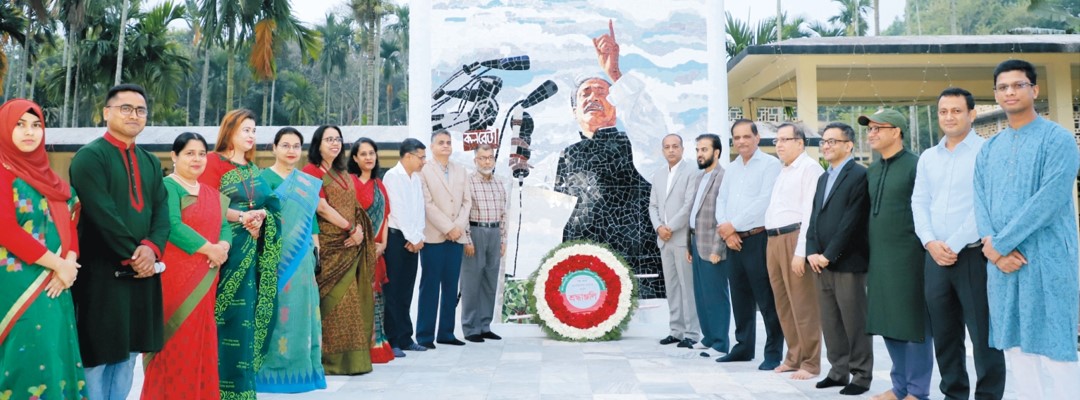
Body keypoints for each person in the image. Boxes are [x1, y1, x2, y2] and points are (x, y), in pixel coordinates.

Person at [975, 59, 1080, 399]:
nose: (1010, 91)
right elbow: (980, 200)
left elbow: (1048, 200)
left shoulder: (1058, 140)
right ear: (995, 94)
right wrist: (992, 247)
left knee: (1055, 345)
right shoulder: (988, 148)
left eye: (1018, 85)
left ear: (1034, 90)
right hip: (1002, 265)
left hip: (1047, 259)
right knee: (1014, 346)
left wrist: (999, 244)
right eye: (1003, 87)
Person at [70, 84, 169, 400]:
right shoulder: (89, 158)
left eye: (140, 110)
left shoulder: (150, 162)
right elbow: (103, 214)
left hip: (142, 275)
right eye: (125, 108)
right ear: (106, 112)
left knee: (127, 356)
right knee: (97, 355)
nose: (134, 115)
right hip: (100, 275)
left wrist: (151, 249)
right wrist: (136, 255)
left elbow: (162, 213)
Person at [553, 21, 663, 298]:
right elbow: (557, 211)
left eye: (602, 92)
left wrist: (614, 73)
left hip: (638, 265)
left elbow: (649, 125)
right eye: (584, 94)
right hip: (581, 270)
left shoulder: (637, 144)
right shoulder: (568, 154)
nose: (592, 98)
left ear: (617, 103)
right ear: (574, 110)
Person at [913, 88, 1005, 399]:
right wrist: (929, 242)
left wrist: (950, 244)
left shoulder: (987, 151)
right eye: (943, 111)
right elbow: (919, 202)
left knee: (983, 336)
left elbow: (986, 205)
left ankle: (989, 395)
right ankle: (954, 393)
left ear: (972, 114)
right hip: (935, 257)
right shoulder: (928, 157)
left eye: (956, 110)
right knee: (945, 334)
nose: (949, 117)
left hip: (972, 256)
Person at [0, 98, 87, 399]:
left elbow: (70, 223)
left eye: (36, 125)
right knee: (24, 360)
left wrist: (70, 264)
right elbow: (5, 229)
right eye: (20, 125)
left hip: (58, 285)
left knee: (54, 357)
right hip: (15, 286)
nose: (30, 132)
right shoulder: (2, 172)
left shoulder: (51, 180)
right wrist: (58, 264)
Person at [199, 108, 282, 398]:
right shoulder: (212, 163)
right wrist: (243, 218)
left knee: (247, 322)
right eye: (246, 129)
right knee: (223, 322)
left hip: (253, 260)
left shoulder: (253, 170)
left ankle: (243, 389)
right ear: (230, 130)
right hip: (224, 257)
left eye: (254, 130)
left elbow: (273, 207)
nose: (251, 135)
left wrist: (263, 220)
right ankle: (216, 388)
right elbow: (204, 205)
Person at [141, 132, 231, 399]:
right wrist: (211, 249)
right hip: (175, 280)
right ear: (174, 156)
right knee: (176, 342)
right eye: (190, 153)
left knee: (201, 342)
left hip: (206, 278)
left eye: (202, 154)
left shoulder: (212, 194)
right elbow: (172, 226)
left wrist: (223, 247)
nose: (197, 159)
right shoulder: (167, 187)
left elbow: (225, 226)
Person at [860, 109, 932, 400]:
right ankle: (899, 386)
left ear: (897, 131)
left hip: (910, 257)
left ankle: (917, 390)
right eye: (870, 129)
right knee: (887, 321)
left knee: (912, 324)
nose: (872, 134)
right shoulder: (873, 170)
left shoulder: (917, 165)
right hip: (879, 258)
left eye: (879, 128)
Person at [256, 127, 328, 391]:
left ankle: (302, 370)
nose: (291, 151)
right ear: (274, 148)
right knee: (274, 312)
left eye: (296, 146)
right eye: (285, 145)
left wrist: (315, 249)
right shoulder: (261, 180)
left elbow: (311, 219)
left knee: (302, 310)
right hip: (271, 257)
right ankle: (270, 372)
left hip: (301, 256)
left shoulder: (306, 181)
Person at [302, 125, 376, 375]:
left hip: (350, 245)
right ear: (317, 144)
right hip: (328, 246)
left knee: (351, 302)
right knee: (334, 303)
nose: (334, 143)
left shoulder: (342, 171)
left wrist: (359, 232)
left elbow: (353, 205)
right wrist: (349, 228)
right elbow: (320, 207)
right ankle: (329, 361)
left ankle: (353, 361)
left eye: (338, 139)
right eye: (328, 139)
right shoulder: (311, 171)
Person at [806, 122, 872, 396]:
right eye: (825, 141)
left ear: (849, 145)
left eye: (834, 141)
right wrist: (811, 251)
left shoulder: (859, 175)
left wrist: (829, 255)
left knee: (854, 321)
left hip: (847, 262)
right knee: (831, 321)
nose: (827, 145)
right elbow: (814, 217)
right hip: (820, 263)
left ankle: (861, 375)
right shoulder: (823, 177)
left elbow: (851, 222)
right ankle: (837, 371)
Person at [713, 119, 783, 369]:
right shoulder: (731, 168)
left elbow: (765, 200)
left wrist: (735, 224)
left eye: (746, 136)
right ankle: (743, 347)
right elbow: (721, 201)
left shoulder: (770, 165)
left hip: (757, 238)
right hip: (732, 241)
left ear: (756, 138)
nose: (741, 141)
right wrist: (727, 230)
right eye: (737, 137)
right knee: (739, 296)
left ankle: (773, 352)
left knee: (766, 298)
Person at [764, 123, 824, 380]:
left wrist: (801, 251)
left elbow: (810, 214)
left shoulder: (810, 169)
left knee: (804, 304)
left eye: (785, 139)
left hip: (794, 238)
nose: (779, 145)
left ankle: (811, 363)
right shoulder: (783, 170)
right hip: (774, 240)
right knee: (784, 303)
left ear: (800, 143)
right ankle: (794, 356)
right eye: (777, 140)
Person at [417, 129, 472, 348]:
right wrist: (448, 227)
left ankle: (446, 333)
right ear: (432, 147)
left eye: (448, 142)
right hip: (434, 237)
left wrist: (457, 228)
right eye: (441, 142)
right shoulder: (424, 171)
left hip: (456, 238)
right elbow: (426, 203)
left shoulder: (461, 170)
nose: (446, 146)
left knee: (451, 287)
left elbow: (467, 202)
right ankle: (424, 336)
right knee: (430, 286)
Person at [347, 137, 396, 363]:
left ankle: (377, 345)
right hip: (355, 251)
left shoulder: (379, 184)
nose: (368, 157)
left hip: (376, 251)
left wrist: (383, 244)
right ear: (355, 158)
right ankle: (357, 347)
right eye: (363, 154)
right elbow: (349, 217)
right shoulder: (350, 183)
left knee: (376, 298)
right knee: (357, 299)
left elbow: (385, 216)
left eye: (371, 153)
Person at [648, 134, 700, 348]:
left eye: (675, 146)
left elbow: (689, 205)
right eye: (667, 147)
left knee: (687, 288)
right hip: (664, 240)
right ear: (662, 150)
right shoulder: (659, 174)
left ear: (682, 148)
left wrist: (670, 228)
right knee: (672, 287)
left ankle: (692, 333)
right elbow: (653, 206)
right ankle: (676, 330)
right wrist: (659, 227)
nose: (671, 150)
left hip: (681, 238)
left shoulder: (692, 172)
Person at [382, 138, 428, 355]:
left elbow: (420, 210)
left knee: (407, 291)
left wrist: (418, 237)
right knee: (393, 291)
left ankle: (406, 337)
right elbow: (396, 210)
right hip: (396, 238)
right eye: (421, 157)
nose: (424, 161)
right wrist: (411, 237)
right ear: (408, 156)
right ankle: (393, 340)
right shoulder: (392, 176)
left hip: (414, 240)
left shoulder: (416, 179)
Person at [685, 134, 727, 355]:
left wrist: (717, 249)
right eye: (698, 150)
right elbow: (694, 213)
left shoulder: (723, 177)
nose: (700, 154)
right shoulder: (699, 177)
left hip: (712, 245)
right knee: (701, 294)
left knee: (716, 295)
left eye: (704, 150)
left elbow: (723, 216)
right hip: (695, 240)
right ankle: (709, 337)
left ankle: (720, 343)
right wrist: (688, 246)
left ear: (716, 152)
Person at [461, 144, 507, 343]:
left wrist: (503, 239)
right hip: (476, 231)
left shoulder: (499, 183)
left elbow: (504, 214)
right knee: (471, 282)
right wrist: (467, 239)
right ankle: (471, 328)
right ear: (475, 161)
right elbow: (462, 214)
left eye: (490, 157)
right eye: (482, 158)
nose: (487, 161)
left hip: (495, 233)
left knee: (489, 281)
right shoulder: (468, 182)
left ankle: (485, 325)